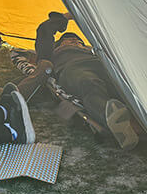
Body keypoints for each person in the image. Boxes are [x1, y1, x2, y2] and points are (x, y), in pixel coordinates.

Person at [18, 18, 140, 151]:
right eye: (67, 40)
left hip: (102, 66)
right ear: (58, 45)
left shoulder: (94, 51)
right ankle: (114, 122)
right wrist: (63, 18)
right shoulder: (50, 52)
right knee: (89, 83)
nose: (74, 41)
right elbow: (44, 31)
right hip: (73, 68)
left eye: (77, 41)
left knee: (126, 88)